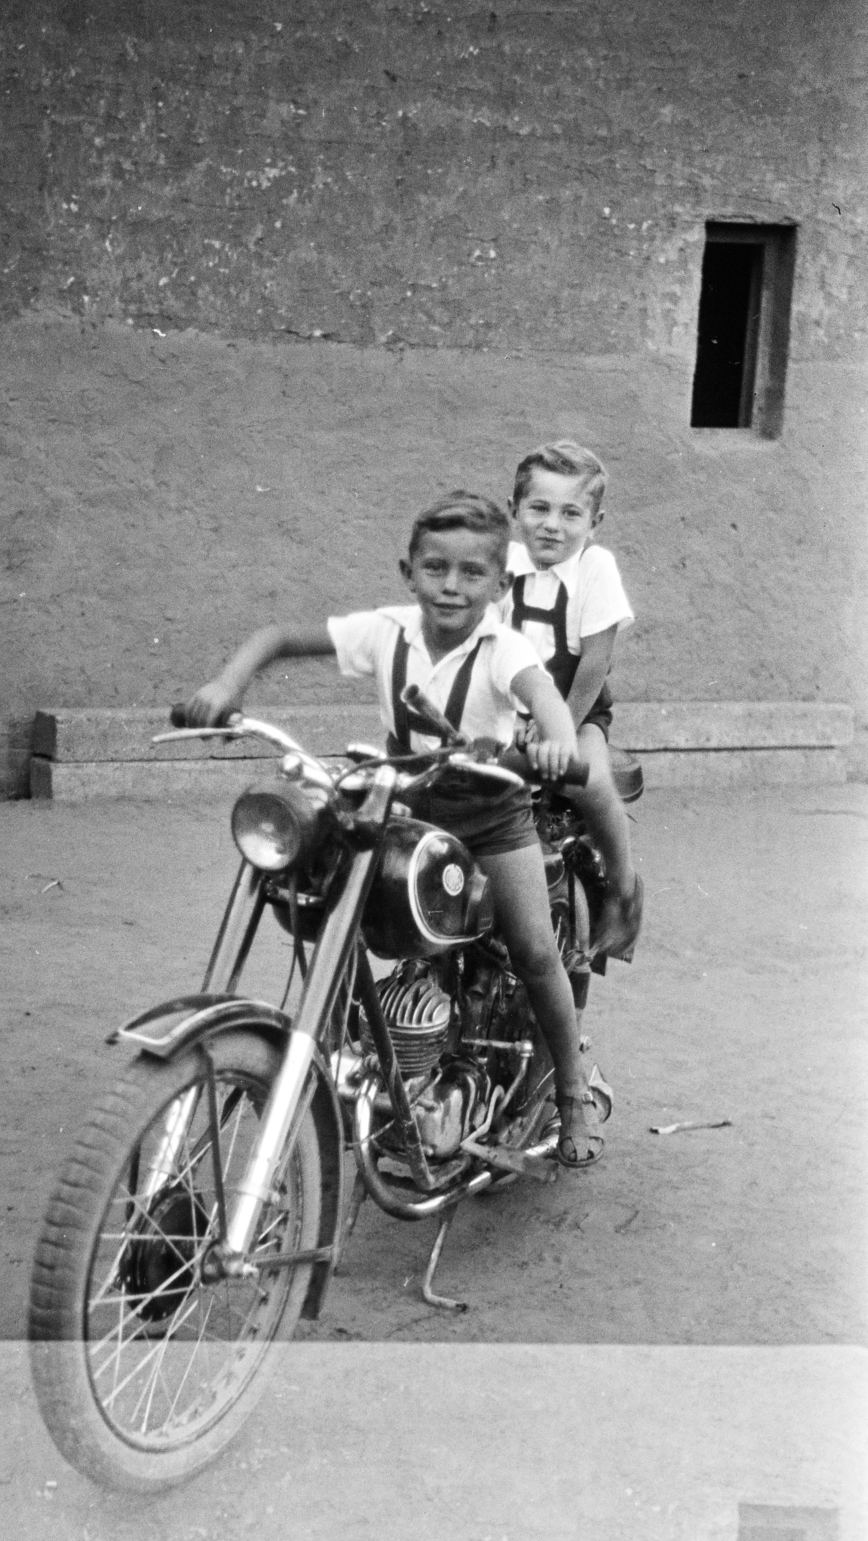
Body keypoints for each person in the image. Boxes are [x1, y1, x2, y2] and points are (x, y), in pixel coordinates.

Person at [185, 490, 609, 1168]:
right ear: (407, 572)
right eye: (435, 568)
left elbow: (546, 701)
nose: (451, 586)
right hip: (408, 806)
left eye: (473, 574)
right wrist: (226, 686)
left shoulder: (504, 650)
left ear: (500, 586)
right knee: (325, 910)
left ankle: (570, 1094)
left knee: (532, 949)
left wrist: (558, 743)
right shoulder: (386, 631)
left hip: (493, 818)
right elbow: (277, 638)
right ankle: (353, 1058)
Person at [504, 440, 644, 963]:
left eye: (571, 513)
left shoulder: (595, 568)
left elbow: (594, 666)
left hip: (576, 706)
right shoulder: (504, 564)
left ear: (595, 522)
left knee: (588, 776)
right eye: (538, 508)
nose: (552, 525)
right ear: (513, 510)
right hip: (510, 715)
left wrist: (555, 726)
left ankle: (623, 890)